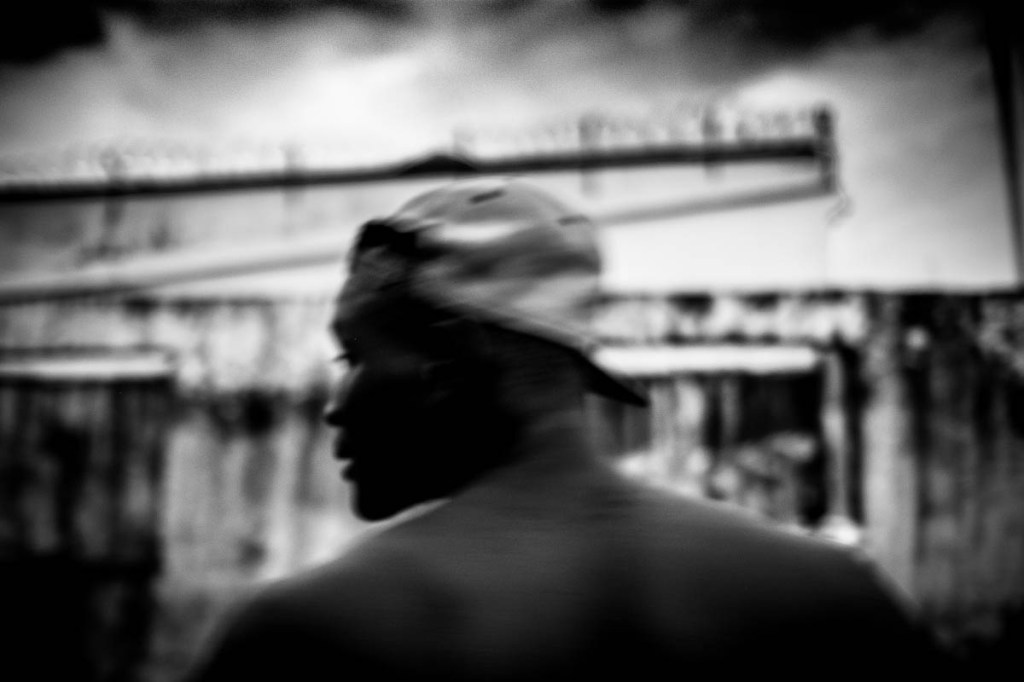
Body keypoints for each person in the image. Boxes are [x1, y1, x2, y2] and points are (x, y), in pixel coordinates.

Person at [185, 177, 956, 681]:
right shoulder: (829, 597)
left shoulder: (315, 635)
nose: (336, 404)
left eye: (353, 357)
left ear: (446, 366)